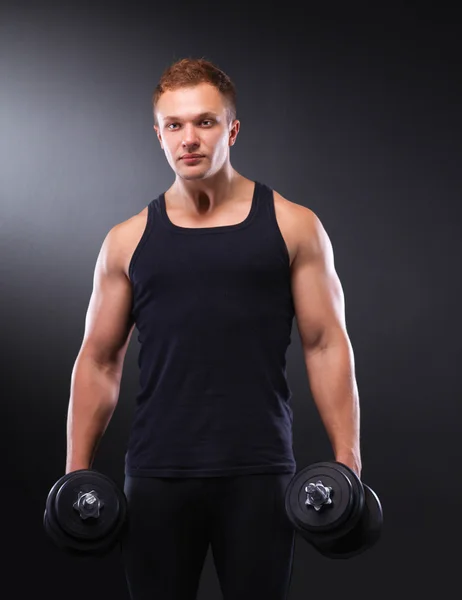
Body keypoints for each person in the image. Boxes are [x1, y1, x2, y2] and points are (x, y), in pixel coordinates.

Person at [65, 57, 361, 600]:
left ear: (232, 129)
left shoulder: (293, 225)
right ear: (158, 135)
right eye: (174, 125)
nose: (190, 139)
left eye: (205, 122)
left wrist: (349, 458)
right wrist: (76, 473)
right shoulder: (127, 241)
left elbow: (325, 344)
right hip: (156, 474)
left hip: (259, 473)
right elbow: (99, 359)